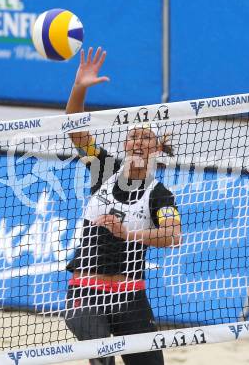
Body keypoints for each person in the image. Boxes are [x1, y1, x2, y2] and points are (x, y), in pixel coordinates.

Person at [64, 47, 182, 365]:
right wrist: (80, 88)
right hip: (86, 293)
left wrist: (129, 233)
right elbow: (75, 130)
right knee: (102, 355)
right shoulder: (102, 168)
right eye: (133, 137)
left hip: (130, 297)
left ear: (157, 147)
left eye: (146, 138)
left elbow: (173, 236)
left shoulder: (160, 195)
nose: (138, 142)